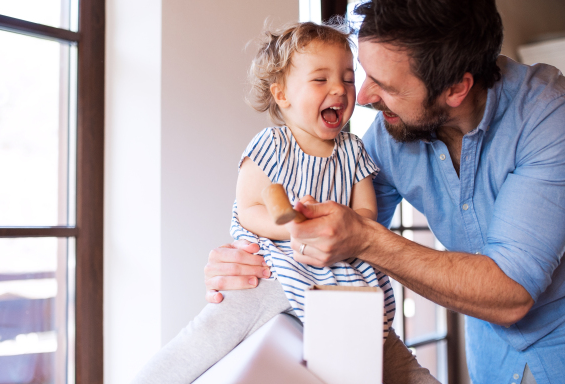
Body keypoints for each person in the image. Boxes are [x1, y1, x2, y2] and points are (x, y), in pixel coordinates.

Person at [204, 1, 565, 384]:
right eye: (364, 74)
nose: (364, 96)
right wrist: (248, 262)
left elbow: (511, 290)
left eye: (385, 85)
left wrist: (362, 238)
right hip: (489, 356)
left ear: (456, 88)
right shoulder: (383, 141)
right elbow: (329, 236)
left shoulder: (548, 117)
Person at [134, 21, 438, 384]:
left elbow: (366, 213)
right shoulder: (271, 145)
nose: (339, 90)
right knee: (204, 338)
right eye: (320, 80)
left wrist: (342, 224)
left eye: (347, 78)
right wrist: (293, 224)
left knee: (395, 359)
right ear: (282, 95)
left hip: (342, 277)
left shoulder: (354, 150)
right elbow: (249, 209)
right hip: (273, 272)